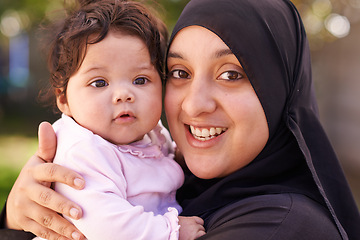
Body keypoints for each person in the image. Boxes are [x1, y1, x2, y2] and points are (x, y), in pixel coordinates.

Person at [1, 0, 360, 239]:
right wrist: (19, 217)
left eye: (232, 73)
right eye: (179, 72)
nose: (195, 104)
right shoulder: (184, 177)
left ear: (280, 89)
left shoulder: (280, 226)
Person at [1, 1, 206, 240]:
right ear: (63, 98)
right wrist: (171, 232)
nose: (123, 94)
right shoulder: (82, 150)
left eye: (140, 80)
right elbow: (104, 225)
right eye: (99, 83)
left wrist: (182, 158)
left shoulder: (151, 133)